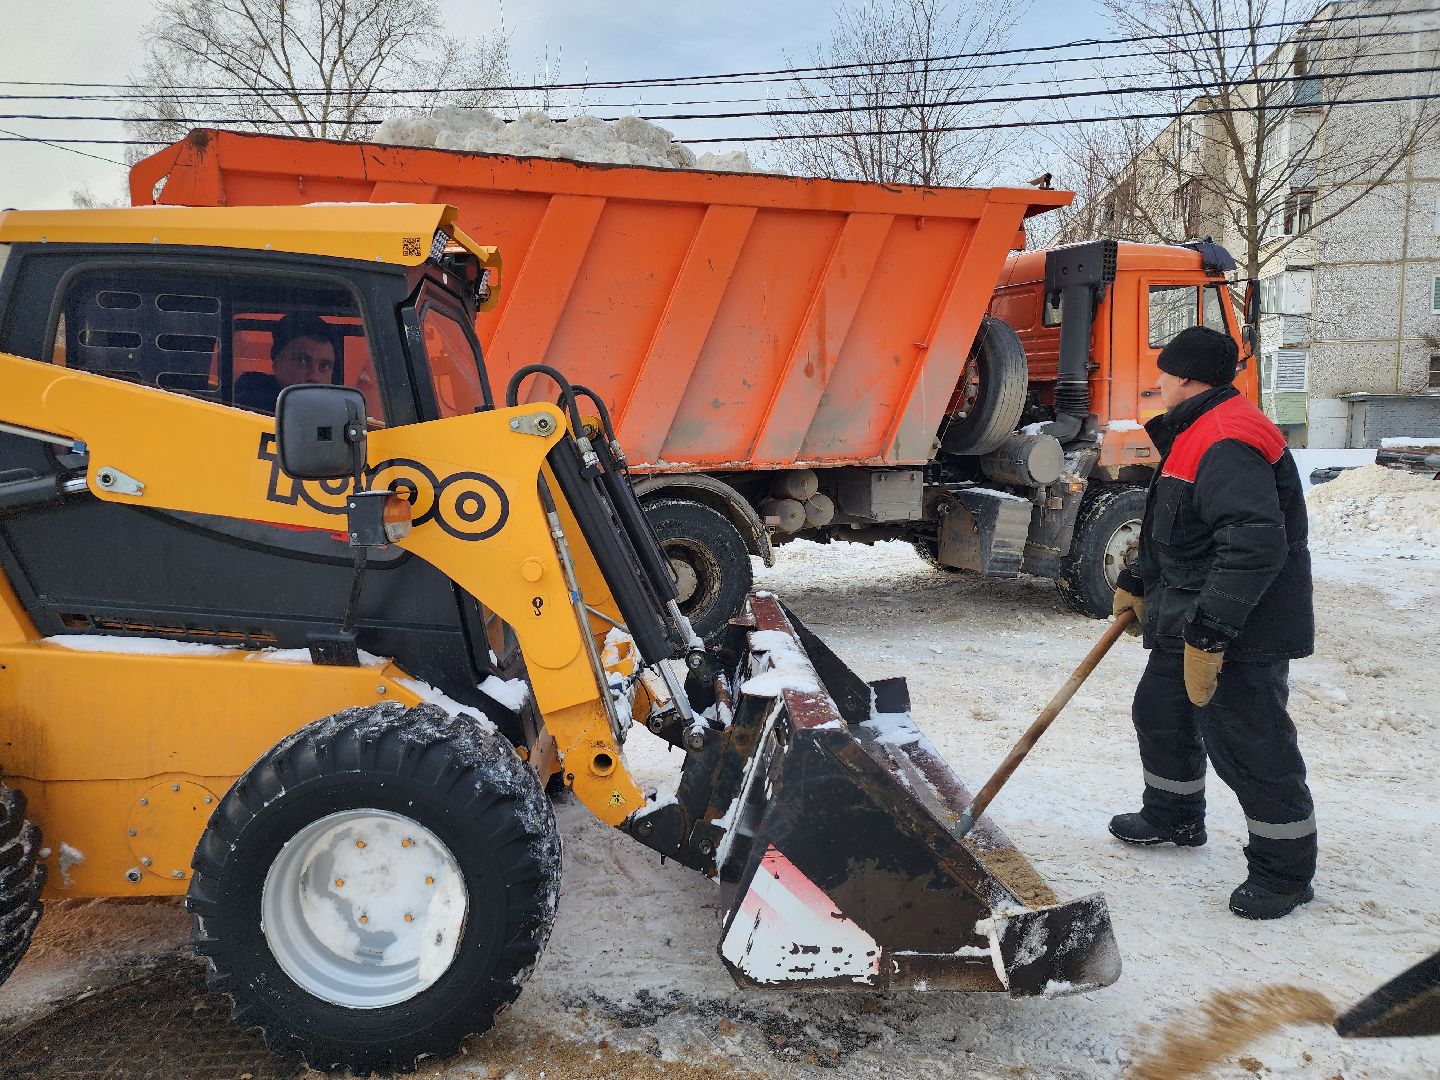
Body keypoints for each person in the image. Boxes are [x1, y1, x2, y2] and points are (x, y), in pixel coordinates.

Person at [1109, 324, 1317, 921]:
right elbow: (1181, 526)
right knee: (1160, 710)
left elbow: (1253, 544)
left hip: (1238, 626)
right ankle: (1173, 816)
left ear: (1187, 377)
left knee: (1250, 743)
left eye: (1165, 371)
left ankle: (1284, 873)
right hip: (1189, 612)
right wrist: (1139, 579)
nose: (1158, 381)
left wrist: (1213, 632)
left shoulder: (1227, 438)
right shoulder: (1198, 429)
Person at [233, 313, 337, 412]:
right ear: (277, 365)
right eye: (303, 361)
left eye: (325, 366)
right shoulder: (247, 407)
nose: (314, 377)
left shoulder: (339, 411)